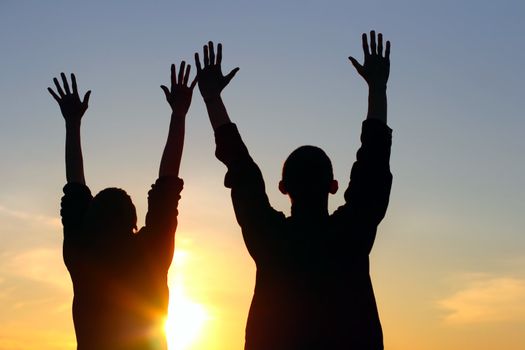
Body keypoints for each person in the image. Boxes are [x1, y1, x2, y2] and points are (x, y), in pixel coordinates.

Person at [195, 31, 392, 349]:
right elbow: (374, 163)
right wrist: (378, 88)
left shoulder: (271, 239)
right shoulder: (351, 234)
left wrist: (212, 99)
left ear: (283, 187)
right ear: (333, 186)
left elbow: (242, 169)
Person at [48, 62, 196, 349]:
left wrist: (72, 124)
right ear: (133, 222)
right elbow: (167, 185)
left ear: (91, 220)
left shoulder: (82, 255)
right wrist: (179, 114)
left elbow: (75, 185)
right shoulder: (150, 253)